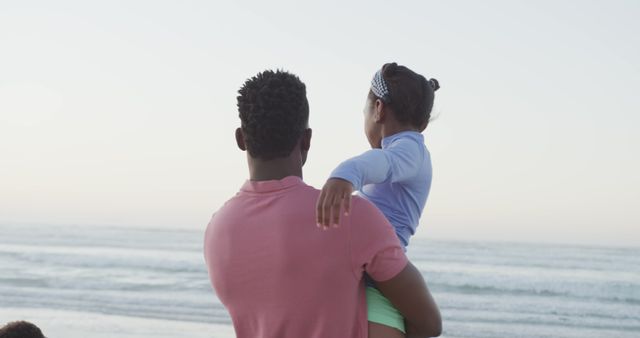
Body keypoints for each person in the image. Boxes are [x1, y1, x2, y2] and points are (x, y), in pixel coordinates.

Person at [204, 69, 441, 338]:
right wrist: (346, 175)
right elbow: (429, 323)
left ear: (240, 139)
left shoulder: (217, 231)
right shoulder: (349, 215)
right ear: (306, 140)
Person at [316, 62, 440, 337]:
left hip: (378, 279)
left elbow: (383, 162)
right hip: (367, 273)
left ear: (378, 109)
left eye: (364, 111)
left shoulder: (409, 149)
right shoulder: (407, 151)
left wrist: (344, 176)